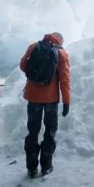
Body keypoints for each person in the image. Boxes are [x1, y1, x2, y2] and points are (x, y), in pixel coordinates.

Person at [19, 31, 70, 178]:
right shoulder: (62, 54)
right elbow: (65, 80)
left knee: (33, 130)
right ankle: (46, 166)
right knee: (50, 131)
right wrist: (66, 101)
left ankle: (31, 168)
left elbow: (23, 65)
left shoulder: (34, 46)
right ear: (60, 41)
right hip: (50, 100)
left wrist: (35, 74)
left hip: (33, 97)